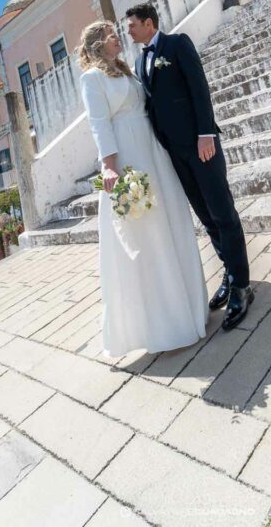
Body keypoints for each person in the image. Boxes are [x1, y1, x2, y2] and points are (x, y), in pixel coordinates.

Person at [78, 20, 209, 357]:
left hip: (152, 150)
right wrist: (109, 165)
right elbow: (98, 123)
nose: (117, 36)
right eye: (109, 34)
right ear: (97, 44)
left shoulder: (127, 71)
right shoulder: (92, 78)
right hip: (128, 153)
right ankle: (161, 323)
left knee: (170, 221)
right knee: (146, 234)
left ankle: (188, 308)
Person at [126, 2, 253, 331]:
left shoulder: (177, 44)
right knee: (206, 216)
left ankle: (242, 285)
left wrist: (206, 133)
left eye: (133, 25)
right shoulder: (141, 61)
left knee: (223, 212)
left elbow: (199, 88)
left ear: (149, 23)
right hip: (175, 153)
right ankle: (229, 272)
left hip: (201, 145)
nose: (129, 31)